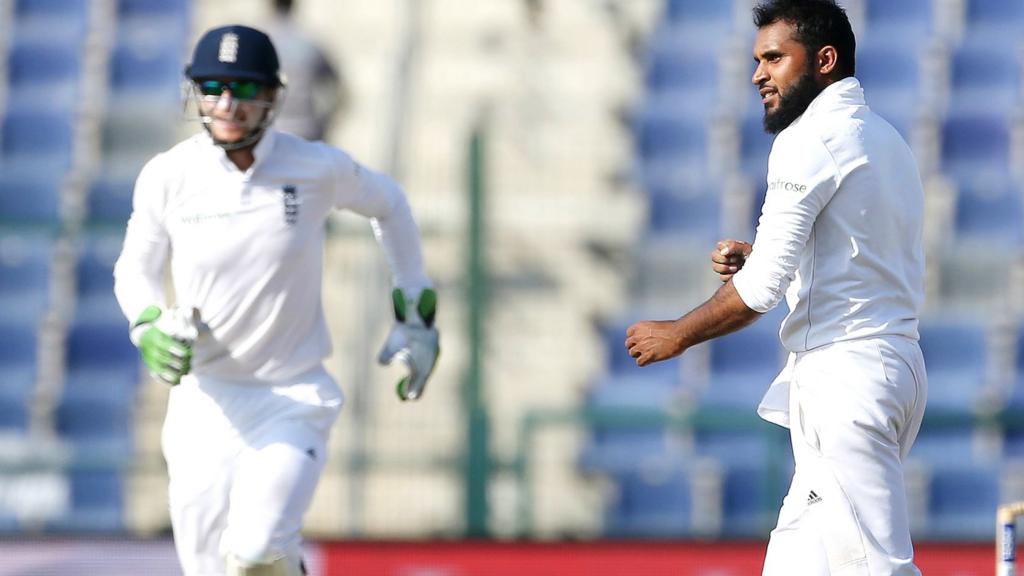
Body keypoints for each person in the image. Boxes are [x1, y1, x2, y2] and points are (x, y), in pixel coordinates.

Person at [113, 25, 438, 576]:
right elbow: (134, 270)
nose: (225, 103)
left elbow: (390, 204)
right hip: (202, 405)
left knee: (257, 551)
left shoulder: (314, 167)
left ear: (272, 96)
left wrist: (416, 309)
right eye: (212, 86)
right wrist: (146, 326)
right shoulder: (168, 175)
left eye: (243, 89)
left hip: (291, 395)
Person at [625, 1, 927, 574]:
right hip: (889, 365)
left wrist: (676, 335)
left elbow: (760, 290)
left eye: (774, 58)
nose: (757, 75)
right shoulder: (885, 138)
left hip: (846, 380)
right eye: (756, 60)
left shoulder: (809, 139)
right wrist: (761, 256)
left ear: (825, 60)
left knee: (877, 567)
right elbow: (852, 256)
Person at [264, 0, 347, 141]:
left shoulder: (257, 40)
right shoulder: (310, 41)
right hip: (306, 129)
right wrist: (324, 122)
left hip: (267, 130)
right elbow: (338, 88)